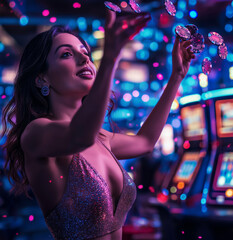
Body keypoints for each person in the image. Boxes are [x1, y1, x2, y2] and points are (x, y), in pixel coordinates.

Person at [1, 9, 195, 240]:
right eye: (66, 54)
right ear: (42, 78)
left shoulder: (102, 138)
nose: (84, 59)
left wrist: (176, 76)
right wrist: (111, 55)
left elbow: (144, 142)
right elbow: (79, 137)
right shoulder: (36, 132)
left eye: (86, 53)